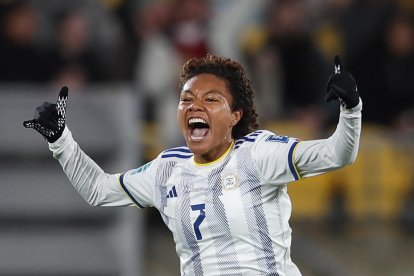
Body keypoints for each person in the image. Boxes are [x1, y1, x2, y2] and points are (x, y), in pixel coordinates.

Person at [23, 54, 362, 276]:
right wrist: (60, 140)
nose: (194, 106)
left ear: (235, 116)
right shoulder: (167, 169)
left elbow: (337, 154)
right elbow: (99, 190)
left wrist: (351, 109)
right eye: (186, 99)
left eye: (211, 99)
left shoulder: (259, 153)